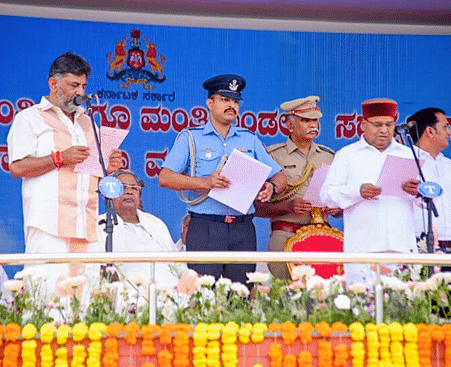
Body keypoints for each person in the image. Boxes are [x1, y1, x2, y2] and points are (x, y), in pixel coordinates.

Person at [7, 52, 123, 294]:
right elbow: (17, 167)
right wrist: (60, 158)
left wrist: (109, 165)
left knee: (86, 304)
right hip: (49, 226)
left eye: (83, 86)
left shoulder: (88, 122)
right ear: (53, 83)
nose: (80, 92)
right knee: (48, 301)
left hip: (86, 226)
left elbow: (94, 171)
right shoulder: (29, 118)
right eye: (74, 85)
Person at [158, 74, 287, 284]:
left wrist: (271, 188)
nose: (231, 106)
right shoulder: (191, 137)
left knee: (241, 295)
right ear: (210, 103)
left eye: (235, 101)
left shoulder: (250, 139)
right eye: (225, 100)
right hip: (206, 226)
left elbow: (280, 176)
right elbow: (165, 177)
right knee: (204, 296)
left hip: (243, 228)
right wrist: (204, 183)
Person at [320, 98, 420, 283]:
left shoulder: (409, 154)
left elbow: (428, 200)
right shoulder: (347, 155)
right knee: (362, 307)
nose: (384, 130)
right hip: (362, 248)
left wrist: (417, 192)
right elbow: (326, 196)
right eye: (377, 124)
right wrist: (358, 192)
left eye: (389, 125)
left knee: (401, 308)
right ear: (363, 124)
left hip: (401, 247)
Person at [254, 96, 341, 279]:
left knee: (324, 295)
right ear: (290, 125)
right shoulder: (273, 156)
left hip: (323, 237)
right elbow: (256, 208)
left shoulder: (329, 156)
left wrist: (337, 209)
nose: (313, 125)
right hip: (285, 235)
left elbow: (341, 205)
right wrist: (288, 206)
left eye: (315, 120)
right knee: (288, 295)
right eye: (306, 120)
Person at [87, 170, 193, 289]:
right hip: (131, 293)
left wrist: (189, 279)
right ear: (110, 194)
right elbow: (95, 268)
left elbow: (177, 263)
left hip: (170, 289)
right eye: (122, 188)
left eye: (134, 188)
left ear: (139, 195)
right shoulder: (101, 225)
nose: (129, 192)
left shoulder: (155, 223)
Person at [406, 107, 451, 249]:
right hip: (417, 246)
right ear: (430, 131)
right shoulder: (405, 161)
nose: (449, 132)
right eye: (445, 127)